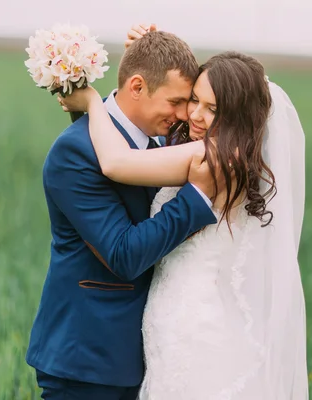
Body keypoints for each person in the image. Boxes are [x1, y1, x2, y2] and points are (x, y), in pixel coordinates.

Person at [57, 25, 309, 399]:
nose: (193, 115)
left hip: (193, 324)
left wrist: (94, 102)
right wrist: (151, 56)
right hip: (183, 316)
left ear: (238, 115)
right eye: (193, 99)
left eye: (212, 109)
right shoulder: (226, 153)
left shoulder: (210, 157)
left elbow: (115, 161)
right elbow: (149, 129)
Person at [25, 30, 221, 400]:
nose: (185, 115)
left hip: (152, 356)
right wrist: (195, 197)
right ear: (136, 87)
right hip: (88, 358)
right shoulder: (74, 153)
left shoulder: (161, 141)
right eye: (177, 101)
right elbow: (123, 254)